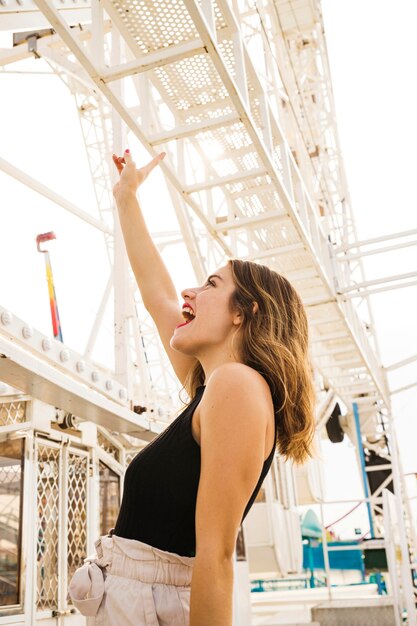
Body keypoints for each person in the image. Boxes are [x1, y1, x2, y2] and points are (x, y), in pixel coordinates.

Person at [68, 149, 316, 626]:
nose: (189, 293)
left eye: (210, 284)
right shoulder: (216, 386)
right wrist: (126, 198)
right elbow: (157, 293)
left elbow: (216, 556)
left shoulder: (237, 386)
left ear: (245, 312)